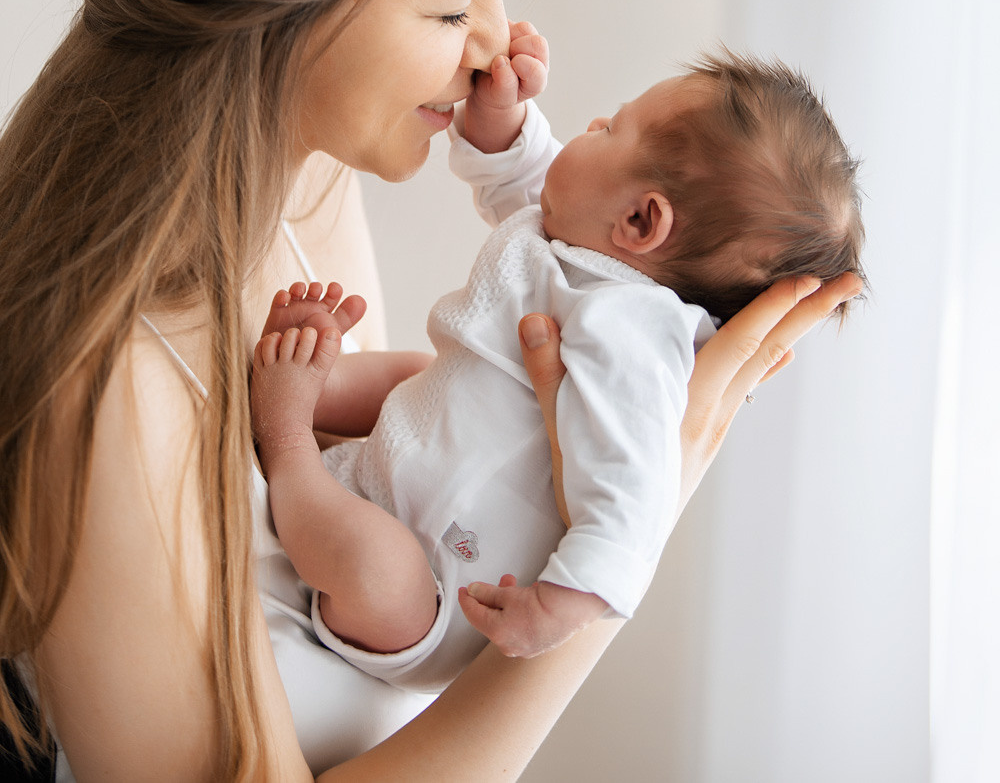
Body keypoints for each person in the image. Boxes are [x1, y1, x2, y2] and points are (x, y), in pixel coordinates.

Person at [0, 0, 861, 783]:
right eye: (454, 4)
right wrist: (642, 517)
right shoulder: (114, 390)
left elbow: (402, 507)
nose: (500, 43)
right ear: (288, 4)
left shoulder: (307, 200)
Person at [251, 47, 866, 687]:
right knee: (415, 371)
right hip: (393, 468)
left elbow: (636, 494)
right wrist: (502, 121)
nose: (593, 125)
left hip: (427, 588)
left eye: (611, 128)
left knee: (381, 569)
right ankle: (308, 382)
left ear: (640, 220)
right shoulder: (583, 246)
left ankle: (287, 438)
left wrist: (561, 604)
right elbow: (534, 181)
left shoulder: (636, 338)